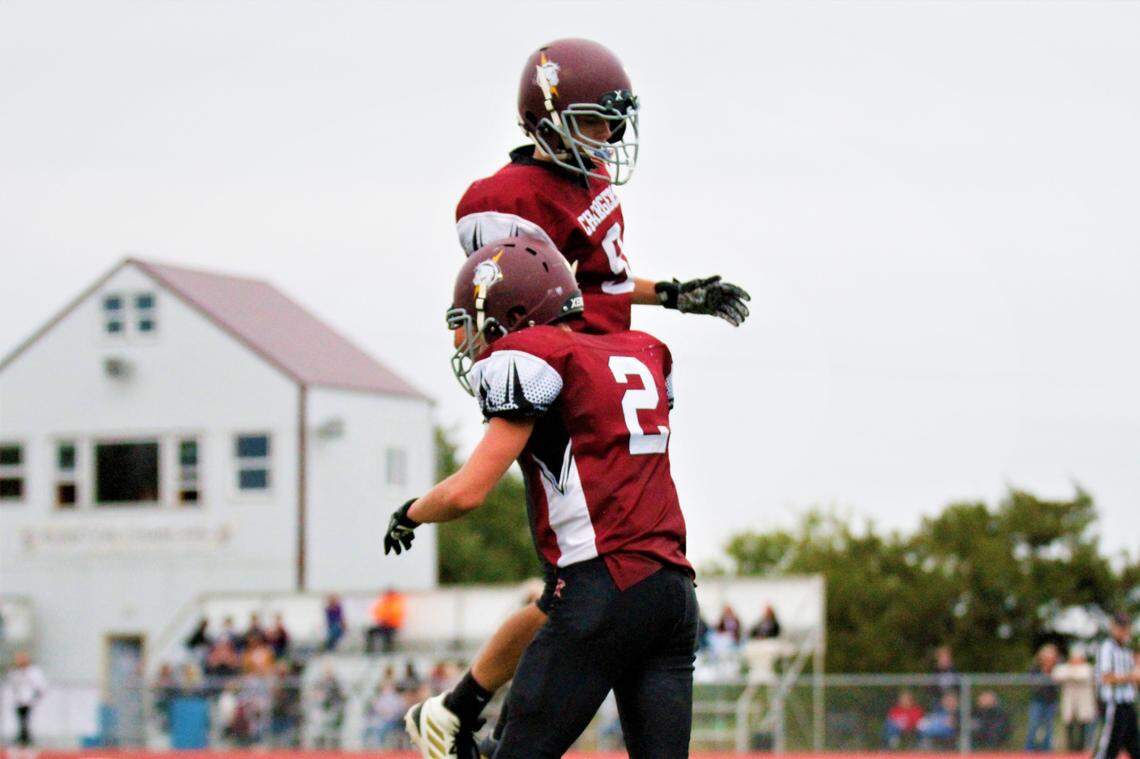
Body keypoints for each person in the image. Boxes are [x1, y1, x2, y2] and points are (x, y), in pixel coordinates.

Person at [398, 37, 752, 759]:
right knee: (582, 576)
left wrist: (674, 294)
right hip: (563, 376)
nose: (610, 137)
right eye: (596, 121)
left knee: (581, 580)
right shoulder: (504, 201)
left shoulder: (590, 183)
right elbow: (524, 291)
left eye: (616, 121)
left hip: (602, 368)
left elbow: (603, 282)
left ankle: (456, 708)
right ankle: (459, 707)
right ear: (548, 114)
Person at [387, 239, 698, 758]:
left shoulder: (532, 358)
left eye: (469, 321)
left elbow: (467, 492)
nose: (466, 338)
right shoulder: (639, 351)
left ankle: (454, 719)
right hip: (673, 594)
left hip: (602, 590)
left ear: (510, 314)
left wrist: (410, 513)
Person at [1093, 612, 1140, 759]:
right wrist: (1130, 677)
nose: (1124, 630)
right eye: (1120, 627)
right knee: (1108, 747)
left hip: (1127, 704)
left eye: (1126, 627)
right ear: (1113, 627)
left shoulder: (1126, 650)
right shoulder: (1107, 648)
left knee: (1135, 746)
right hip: (1113, 704)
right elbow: (1106, 677)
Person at [1053, 645, 1096, 751]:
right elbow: (1056, 674)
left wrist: (1071, 674)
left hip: (1083, 704)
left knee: (1083, 729)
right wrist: (1072, 672)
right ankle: (1071, 750)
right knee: (1069, 728)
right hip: (1070, 703)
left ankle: (1081, 750)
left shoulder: (1087, 668)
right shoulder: (1065, 667)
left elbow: (1083, 675)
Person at [6, 651, 47, 747]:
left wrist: (35, 698)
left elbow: (40, 686)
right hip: (19, 701)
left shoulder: (34, 672)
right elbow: (11, 686)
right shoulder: (14, 673)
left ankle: (27, 740)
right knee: (21, 721)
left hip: (30, 701)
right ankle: (22, 739)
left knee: (28, 721)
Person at [1026, 642, 1060, 750]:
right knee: (1033, 725)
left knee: (1049, 727)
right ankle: (1029, 750)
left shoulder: (1058, 668)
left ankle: (1047, 750)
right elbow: (1033, 685)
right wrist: (1044, 673)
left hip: (1052, 701)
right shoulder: (1035, 668)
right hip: (1037, 701)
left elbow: (1058, 685)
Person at [366, 587, 407, 654]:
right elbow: (377, 612)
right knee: (370, 632)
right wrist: (382, 619)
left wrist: (387, 619)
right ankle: (370, 651)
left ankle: (388, 652)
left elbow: (397, 615)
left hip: (393, 626)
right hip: (383, 625)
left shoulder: (397, 603)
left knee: (388, 635)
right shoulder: (384, 602)